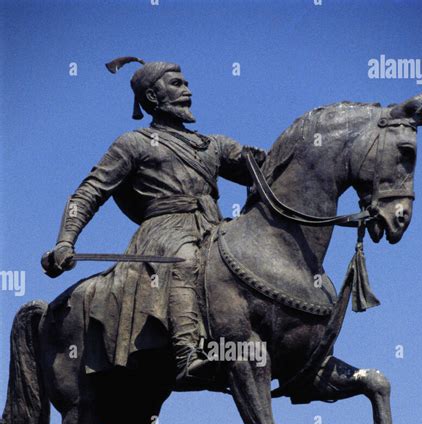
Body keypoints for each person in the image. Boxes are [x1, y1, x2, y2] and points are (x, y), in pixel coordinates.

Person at [42, 56, 266, 387]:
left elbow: (264, 168)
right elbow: (87, 194)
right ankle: (186, 355)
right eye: (176, 84)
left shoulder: (212, 145)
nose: (186, 90)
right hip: (165, 232)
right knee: (185, 260)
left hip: (212, 226)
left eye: (186, 83)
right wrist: (65, 240)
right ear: (151, 97)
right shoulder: (133, 143)